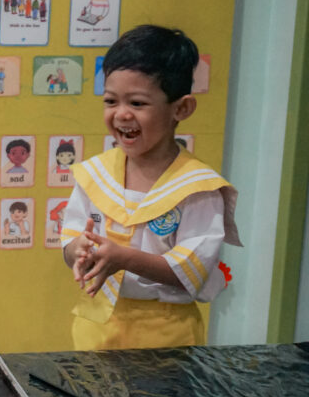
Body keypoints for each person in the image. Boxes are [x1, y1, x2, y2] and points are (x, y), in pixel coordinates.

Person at [60, 25, 241, 351]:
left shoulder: (197, 188)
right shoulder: (96, 174)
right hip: (96, 330)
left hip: (166, 339)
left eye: (138, 103)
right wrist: (78, 250)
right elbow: (70, 238)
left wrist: (124, 258)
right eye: (110, 101)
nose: (121, 114)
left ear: (181, 108)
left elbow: (192, 269)